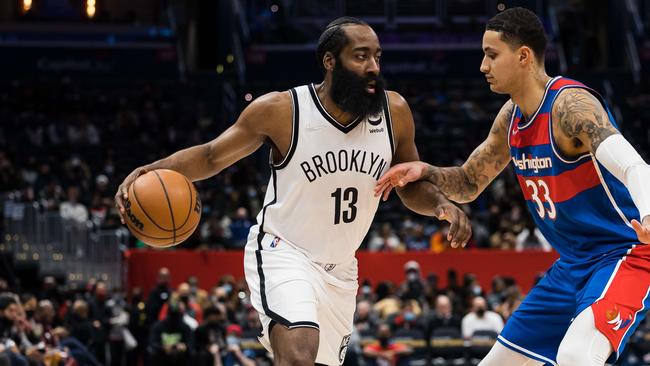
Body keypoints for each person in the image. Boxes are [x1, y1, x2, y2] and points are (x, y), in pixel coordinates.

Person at [115, 16, 471, 366]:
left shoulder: (395, 112)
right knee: (298, 355)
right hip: (283, 251)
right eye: (361, 56)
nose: (373, 66)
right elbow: (211, 156)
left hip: (341, 269)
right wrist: (151, 170)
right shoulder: (282, 110)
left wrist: (441, 205)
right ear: (330, 61)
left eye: (377, 56)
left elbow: (409, 186)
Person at [376, 7, 650, 366]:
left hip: (625, 254)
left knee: (576, 357)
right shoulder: (511, 117)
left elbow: (635, 166)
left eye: (491, 54)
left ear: (523, 56)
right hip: (573, 264)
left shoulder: (570, 105)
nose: (482, 66)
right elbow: (469, 182)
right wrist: (424, 169)